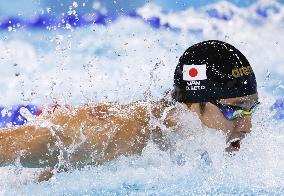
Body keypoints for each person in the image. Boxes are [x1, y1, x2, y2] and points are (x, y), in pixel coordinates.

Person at [0, 40, 259, 181]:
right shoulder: (112, 134)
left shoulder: (192, 145)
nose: (246, 126)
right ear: (190, 106)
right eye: (233, 111)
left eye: (250, 110)